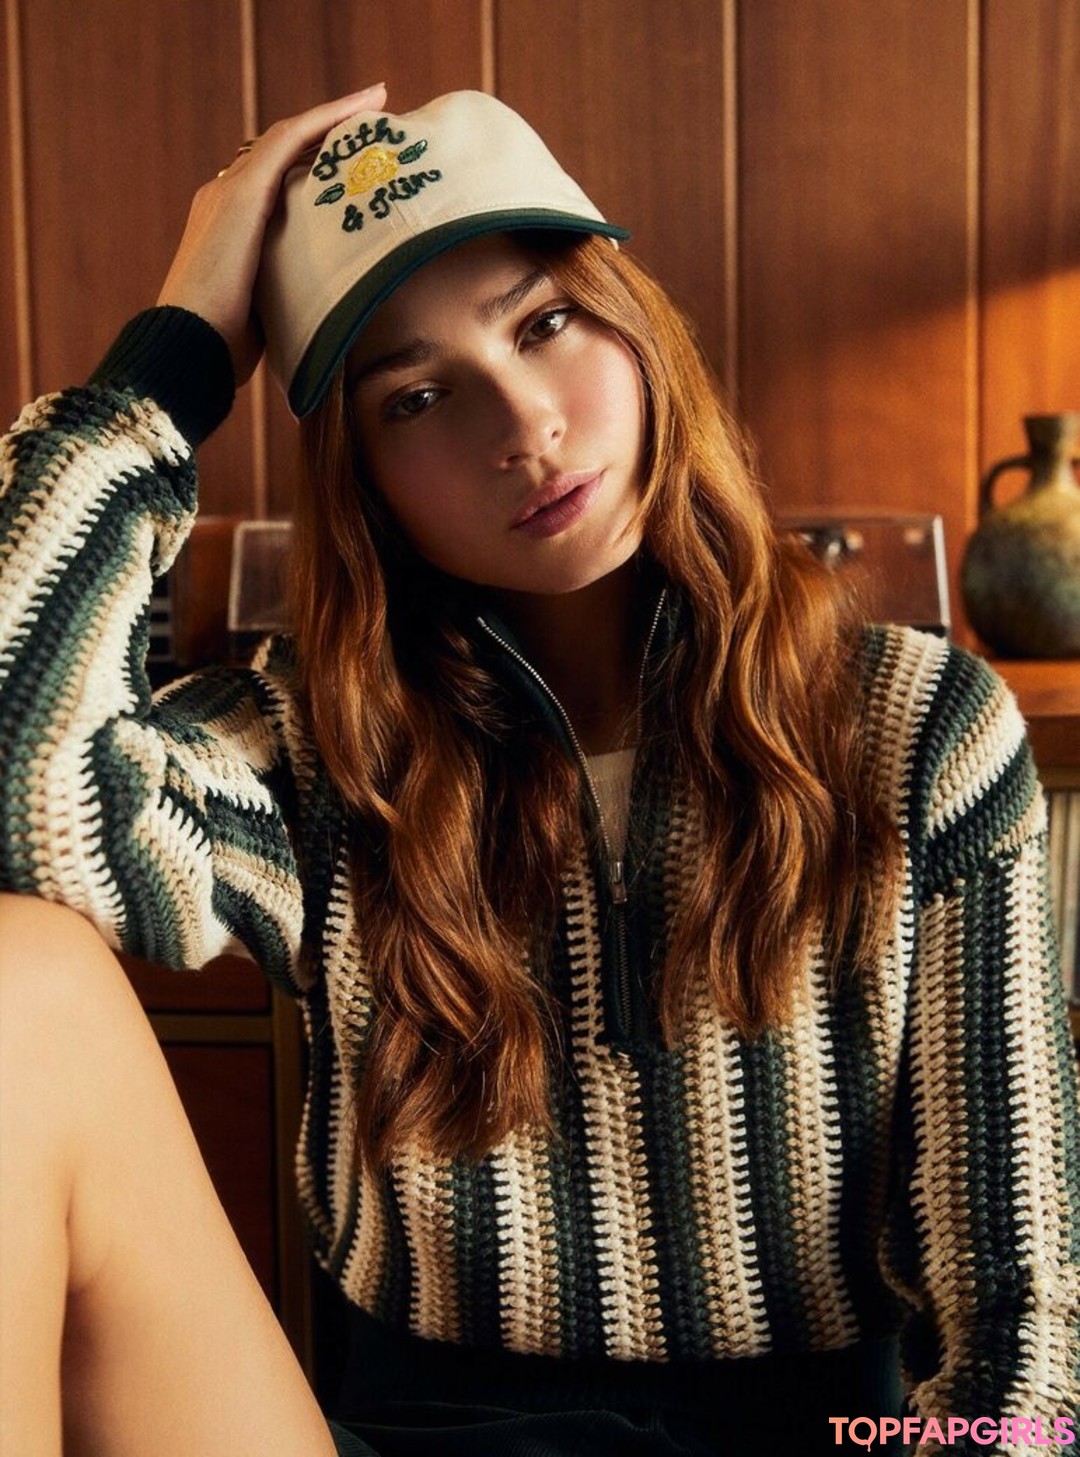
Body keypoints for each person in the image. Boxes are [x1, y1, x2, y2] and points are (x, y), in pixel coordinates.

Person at [0, 84, 1077, 1457]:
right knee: (19, 978)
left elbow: (1024, 1325)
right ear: (365, 481)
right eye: (419, 396)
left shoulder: (918, 725)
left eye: (545, 324)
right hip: (412, 1434)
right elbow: (22, 792)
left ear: (637, 327)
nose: (523, 425)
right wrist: (174, 358)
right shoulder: (310, 746)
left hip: (822, 1436)